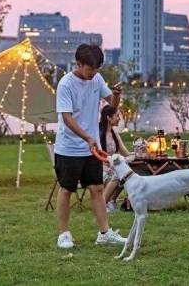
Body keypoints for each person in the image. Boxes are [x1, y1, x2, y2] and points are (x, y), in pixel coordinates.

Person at [53, 44, 126, 249]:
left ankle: (104, 233)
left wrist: (116, 95)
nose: (93, 72)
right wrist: (87, 137)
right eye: (90, 68)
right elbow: (67, 118)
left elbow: (112, 106)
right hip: (69, 148)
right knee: (67, 189)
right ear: (79, 64)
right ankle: (64, 234)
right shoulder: (66, 84)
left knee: (97, 188)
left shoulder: (97, 79)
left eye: (97, 68)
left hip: (91, 148)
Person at [99, 105, 131, 212]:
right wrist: (105, 166)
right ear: (108, 117)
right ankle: (103, 204)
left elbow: (125, 153)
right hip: (99, 167)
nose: (119, 118)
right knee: (119, 174)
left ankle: (111, 201)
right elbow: (94, 155)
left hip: (111, 166)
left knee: (127, 174)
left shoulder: (114, 133)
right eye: (117, 116)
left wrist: (137, 153)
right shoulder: (98, 133)